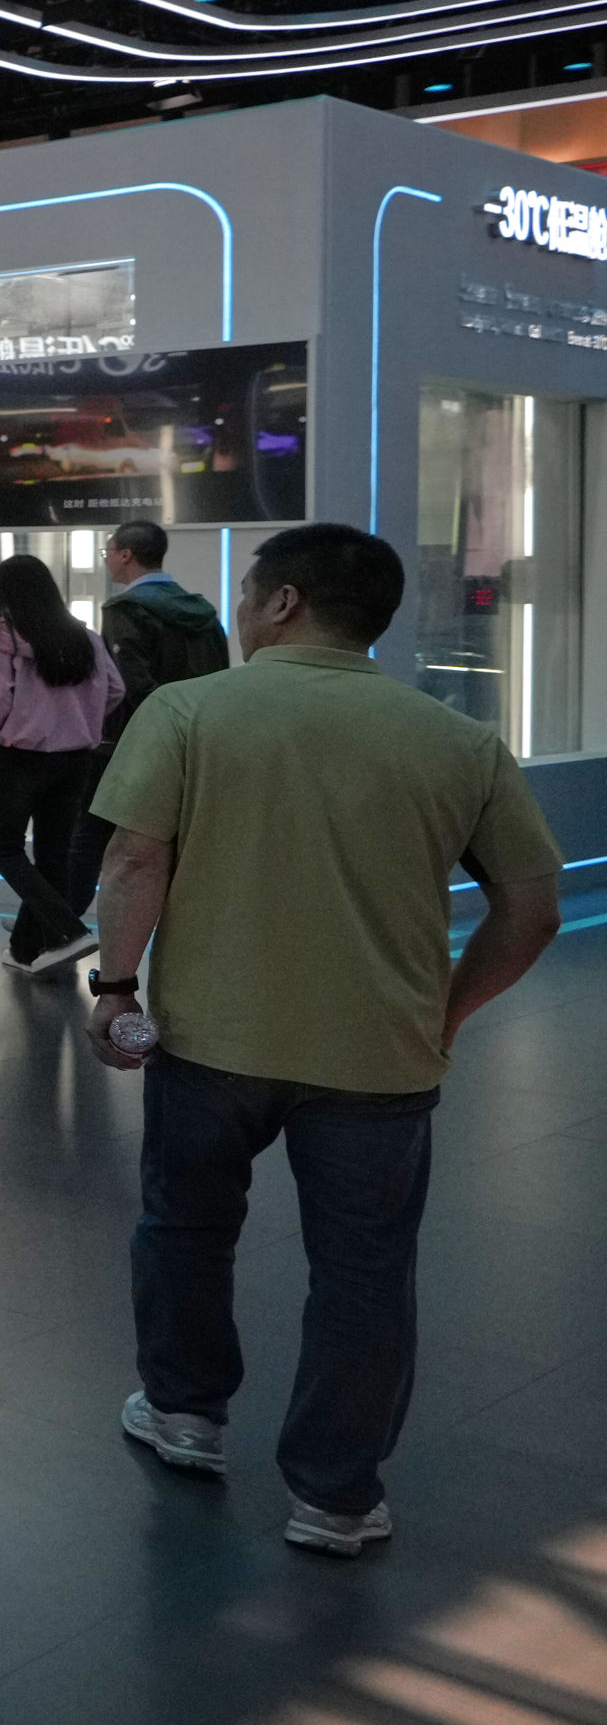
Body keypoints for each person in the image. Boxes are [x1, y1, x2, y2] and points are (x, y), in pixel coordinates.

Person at [86, 521, 563, 1555]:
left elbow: (133, 862)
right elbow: (532, 909)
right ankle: (337, 1497)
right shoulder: (456, 742)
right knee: (363, 1272)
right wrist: (445, 1011)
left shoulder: (190, 711)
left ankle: (185, 1415)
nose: (244, 610)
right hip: (378, 1061)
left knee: (183, 1226)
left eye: (251, 593)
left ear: (286, 602)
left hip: (209, 1044)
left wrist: (114, 989)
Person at [60, 521, 232, 911]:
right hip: (198, 738)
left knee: (88, 831)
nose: (107, 562)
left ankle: (62, 922)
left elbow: (131, 684)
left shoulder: (125, 611)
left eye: (108, 553)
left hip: (131, 743)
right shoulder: (203, 611)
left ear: (126, 555)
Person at [0, 554, 119, 975]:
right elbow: (115, 690)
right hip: (75, 760)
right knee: (53, 853)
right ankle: (25, 949)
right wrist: (80, 722)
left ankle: (68, 930)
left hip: (19, 759)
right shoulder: (85, 638)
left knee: (5, 849)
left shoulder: (1, 639)